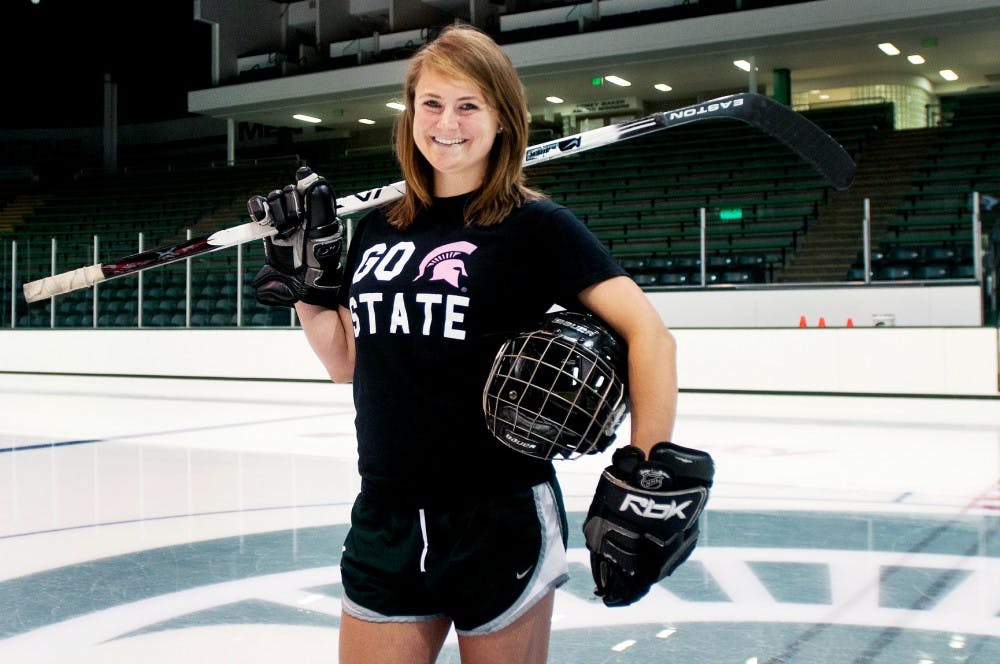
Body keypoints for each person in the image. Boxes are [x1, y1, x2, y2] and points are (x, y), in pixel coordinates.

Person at [248, 24, 707, 664]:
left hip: (497, 513)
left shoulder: (535, 225)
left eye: (469, 106)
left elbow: (650, 335)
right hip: (388, 512)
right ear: (411, 115)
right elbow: (347, 364)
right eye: (431, 104)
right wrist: (307, 287)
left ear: (501, 119)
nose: (447, 123)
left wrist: (646, 462)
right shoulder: (379, 225)